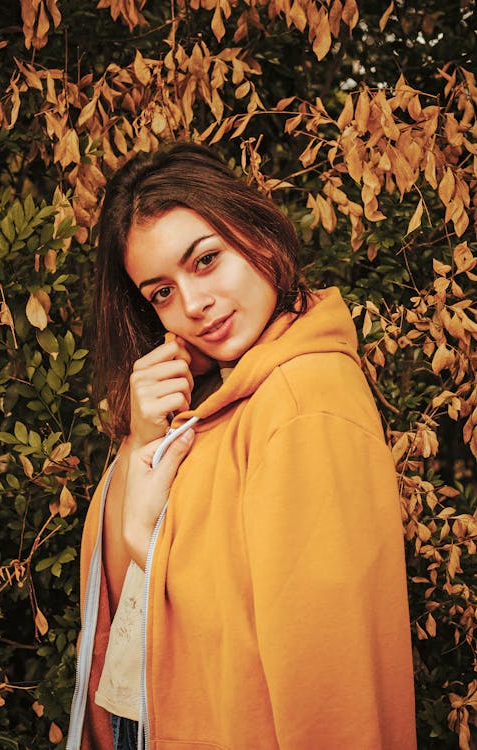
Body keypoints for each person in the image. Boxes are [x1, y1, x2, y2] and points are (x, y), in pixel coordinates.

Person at [66, 143, 416, 750]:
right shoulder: (214, 403)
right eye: (161, 293)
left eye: (204, 261)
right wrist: (141, 443)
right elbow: (124, 620)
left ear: (254, 230)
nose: (193, 306)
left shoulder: (302, 405)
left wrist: (146, 542)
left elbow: (327, 675)